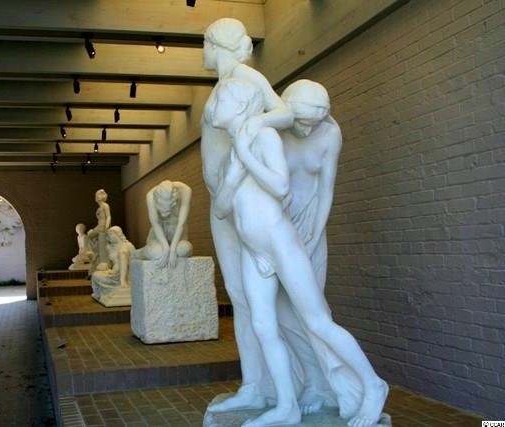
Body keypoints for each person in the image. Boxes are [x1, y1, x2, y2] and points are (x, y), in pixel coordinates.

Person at [212, 77, 388, 427]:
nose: (213, 108)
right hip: (255, 250)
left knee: (317, 320)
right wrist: (233, 173)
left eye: (221, 102)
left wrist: (245, 155)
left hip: (283, 241)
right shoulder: (252, 137)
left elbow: (283, 187)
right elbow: (221, 209)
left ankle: (373, 384)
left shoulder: (265, 137)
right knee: (264, 324)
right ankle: (287, 404)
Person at [201, 18, 304, 419]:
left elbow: (286, 113)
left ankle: (273, 388)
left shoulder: (245, 77)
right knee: (239, 294)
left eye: (205, 43)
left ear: (218, 44)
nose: (203, 52)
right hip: (224, 202)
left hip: (242, 201)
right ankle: (254, 386)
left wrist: (256, 122)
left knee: (251, 298)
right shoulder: (223, 83)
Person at [134, 180, 193, 268]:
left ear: (173, 203)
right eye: (162, 211)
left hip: (178, 234)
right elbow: (156, 224)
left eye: (167, 211)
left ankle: (169, 249)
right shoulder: (150, 196)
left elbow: (182, 223)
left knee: (184, 250)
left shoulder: (185, 191)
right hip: (159, 235)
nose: (165, 215)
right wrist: (166, 248)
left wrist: (173, 249)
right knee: (159, 254)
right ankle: (140, 253)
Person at [91, 226, 135, 298]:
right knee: (95, 275)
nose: (109, 237)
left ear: (118, 234)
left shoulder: (128, 246)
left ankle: (123, 282)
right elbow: (110, 263)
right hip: (114, 273)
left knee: (122, 253)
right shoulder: (109, 247)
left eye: (111, 234)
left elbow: (135, 261)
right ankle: (101, 294)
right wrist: (106, 266)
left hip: (127, 273)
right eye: (108, 235)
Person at [87, 189, 111, 272]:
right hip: (99, 226)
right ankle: (95, 252)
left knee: (102, 246)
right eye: (97, 195)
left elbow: (108, 216)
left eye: (99, 195)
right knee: (89, 235)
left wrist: (106, 227)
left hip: (102, 227)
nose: (97, 197)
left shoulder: (105, 205)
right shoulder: (100, 207)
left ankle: (104, 263)